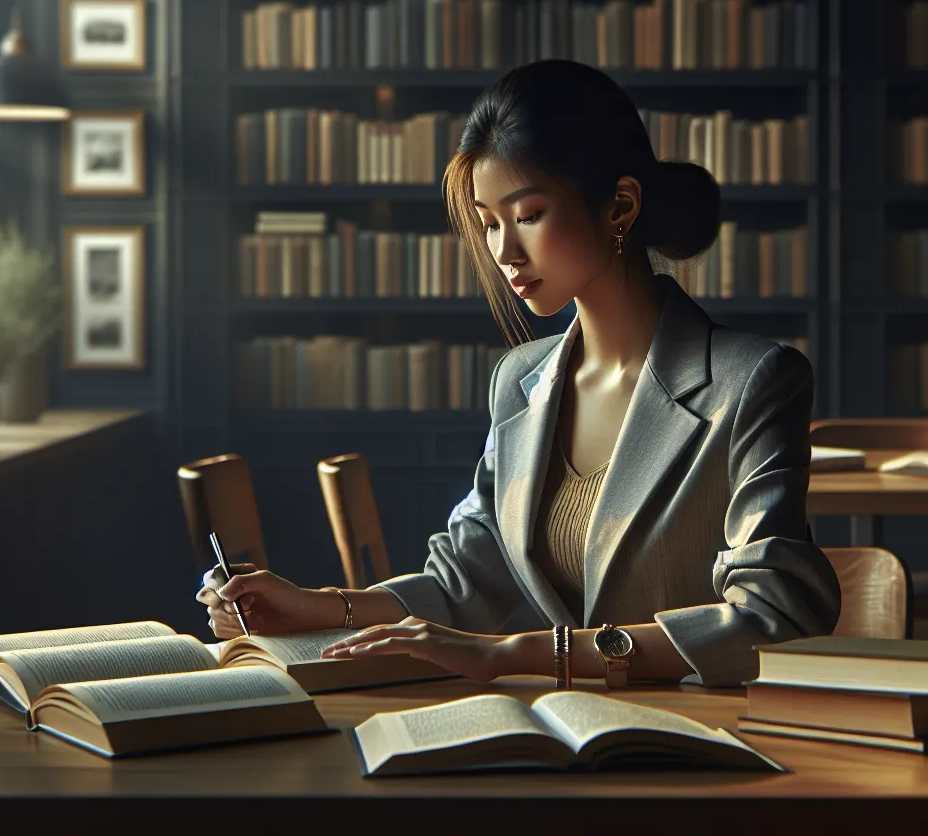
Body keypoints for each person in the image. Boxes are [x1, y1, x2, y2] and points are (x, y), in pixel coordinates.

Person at [199, 60, 840, 687]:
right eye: (489, 224)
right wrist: (315, 605)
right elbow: (464, 584)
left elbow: (773, 616)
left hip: (698, 734)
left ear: (619, 207)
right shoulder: (520, 381)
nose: (504, 251)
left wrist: (516, 654)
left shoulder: (751, 381)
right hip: (556, 727)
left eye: (528, 215)